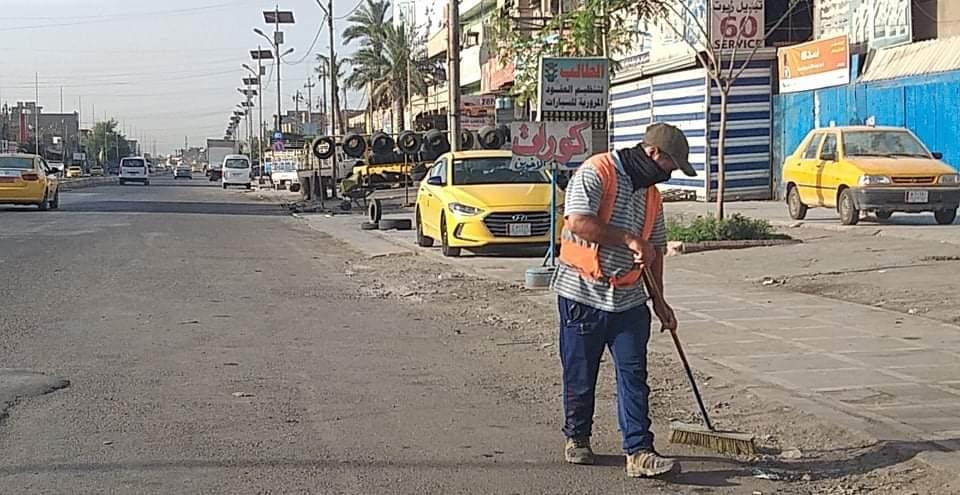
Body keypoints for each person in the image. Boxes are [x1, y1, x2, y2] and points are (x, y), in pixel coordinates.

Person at [551, 122, 696, 478]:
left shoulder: (651, 195)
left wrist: (660, 300)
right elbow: (577, 223)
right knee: (580, 374)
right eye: (669, 167)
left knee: (634, 374)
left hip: (630, 298)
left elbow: (656, 249)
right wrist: (629, 240)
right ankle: (578, 436)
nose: (668, 175)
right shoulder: (597, 171)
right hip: (582, 294)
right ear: (652, 154)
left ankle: (639, 451)